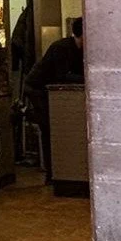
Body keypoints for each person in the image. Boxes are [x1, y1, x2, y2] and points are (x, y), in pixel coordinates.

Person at [25, 17, 84, 179]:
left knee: (53, 127)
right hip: (37, 89)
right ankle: (52, 172)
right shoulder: (62, 48)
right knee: (49, 127)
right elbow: (62, 75)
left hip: (45, 89)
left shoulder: (76, 50)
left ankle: (56, 171)